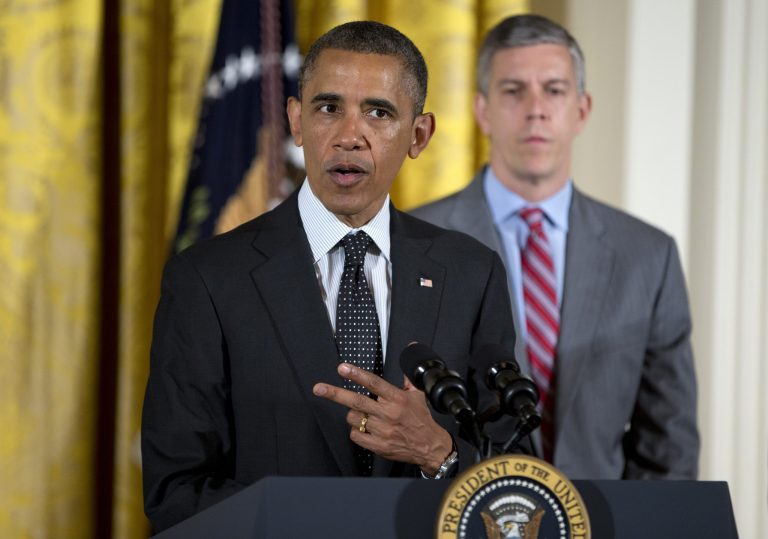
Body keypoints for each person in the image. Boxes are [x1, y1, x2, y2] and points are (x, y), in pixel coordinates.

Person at [141, 21, 517, 532]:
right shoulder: (206, 280)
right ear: (296, 121)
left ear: (419, 135)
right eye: (328, 108)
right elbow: (175, 493)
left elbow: (516, 476)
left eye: (379, 113)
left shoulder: (472, 274)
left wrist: (440, 453)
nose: (348, 137)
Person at [412, 14, 699, 479]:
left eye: (554, 89)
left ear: (581, 109)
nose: (536, 109)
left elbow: (669, 445)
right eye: (513, 90)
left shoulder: (649, 256)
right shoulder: (416, 239)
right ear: (482, 110)